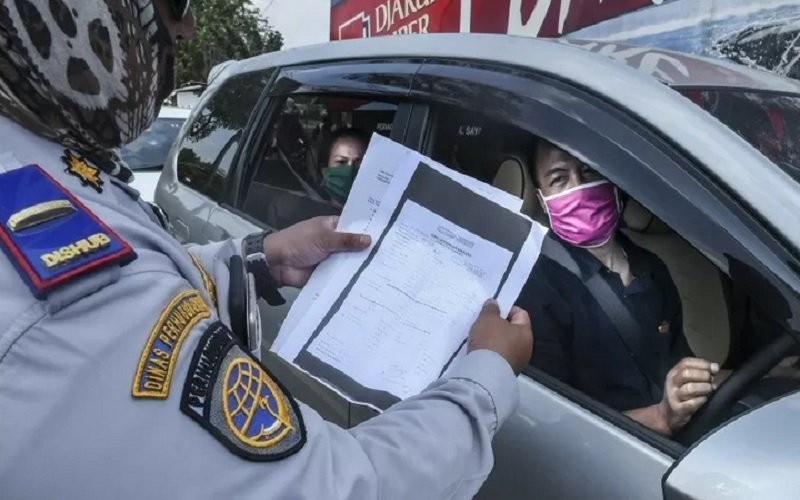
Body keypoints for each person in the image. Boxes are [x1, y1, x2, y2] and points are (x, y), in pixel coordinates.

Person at [0, 2, 533, 499]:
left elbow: (143, 274)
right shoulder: (59, 298)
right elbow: (333, 487)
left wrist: (260, 259)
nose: (184, 28)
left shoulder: (34, 154)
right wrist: (485, 380)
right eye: (176, 2)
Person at [517, 139, 720, 437]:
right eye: (560, 179)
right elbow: (553, 428)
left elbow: (682, 367)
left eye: (588, 171)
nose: (579, 187)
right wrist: (660, 417)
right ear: (542, 199)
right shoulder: (537, 290)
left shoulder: (652, 267)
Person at [318, 127, 370, 207]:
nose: (349, 170)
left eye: (359, 163)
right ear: (324, 169)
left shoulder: (382, 217)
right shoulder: (310, 215)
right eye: (341, 162)